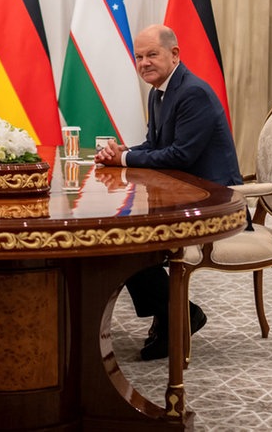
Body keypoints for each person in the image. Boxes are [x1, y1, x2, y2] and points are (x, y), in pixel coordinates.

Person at [95, 23, 243, 360]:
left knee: (128, 242)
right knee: (122, 239)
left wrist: (125, 158)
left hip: (215, 203)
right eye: (139, 56)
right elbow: (155, 145)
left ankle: (180, 315)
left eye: (152, 54)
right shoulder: (159, 91)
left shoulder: (192, 93)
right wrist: (122, 153)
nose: (144, 62)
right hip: (185, 196)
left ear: (174, 54)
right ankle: (173, 313)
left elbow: (180, 155)